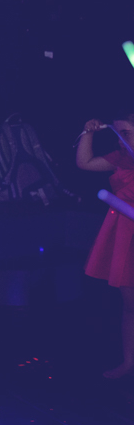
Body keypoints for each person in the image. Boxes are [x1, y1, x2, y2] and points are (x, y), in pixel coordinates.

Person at [80, 112, 134, 378]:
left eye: (127, 133)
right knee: (130, 304)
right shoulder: (120, 158)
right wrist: (88, 132)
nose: (121, 139)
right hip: (126, 232)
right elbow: (84, 163)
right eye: (118, 133)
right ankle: (129, 363)